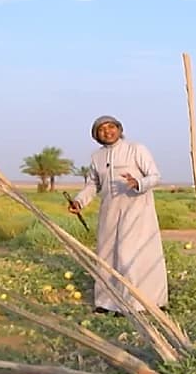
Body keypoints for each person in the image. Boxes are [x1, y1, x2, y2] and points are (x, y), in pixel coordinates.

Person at [68, 115, 169, 315]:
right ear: (96, 135)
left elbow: (155, 176)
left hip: (137, 209)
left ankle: (142, 303)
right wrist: (79, 201)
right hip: (109, 211)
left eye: (111, 127)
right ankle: (107, 303)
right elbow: (93, 184)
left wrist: (138, 183)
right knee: (106, 254)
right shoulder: (96, 157)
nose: (107, 131)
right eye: (102, 129)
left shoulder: (136, 149)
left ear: (119, 129)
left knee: (131, 254)